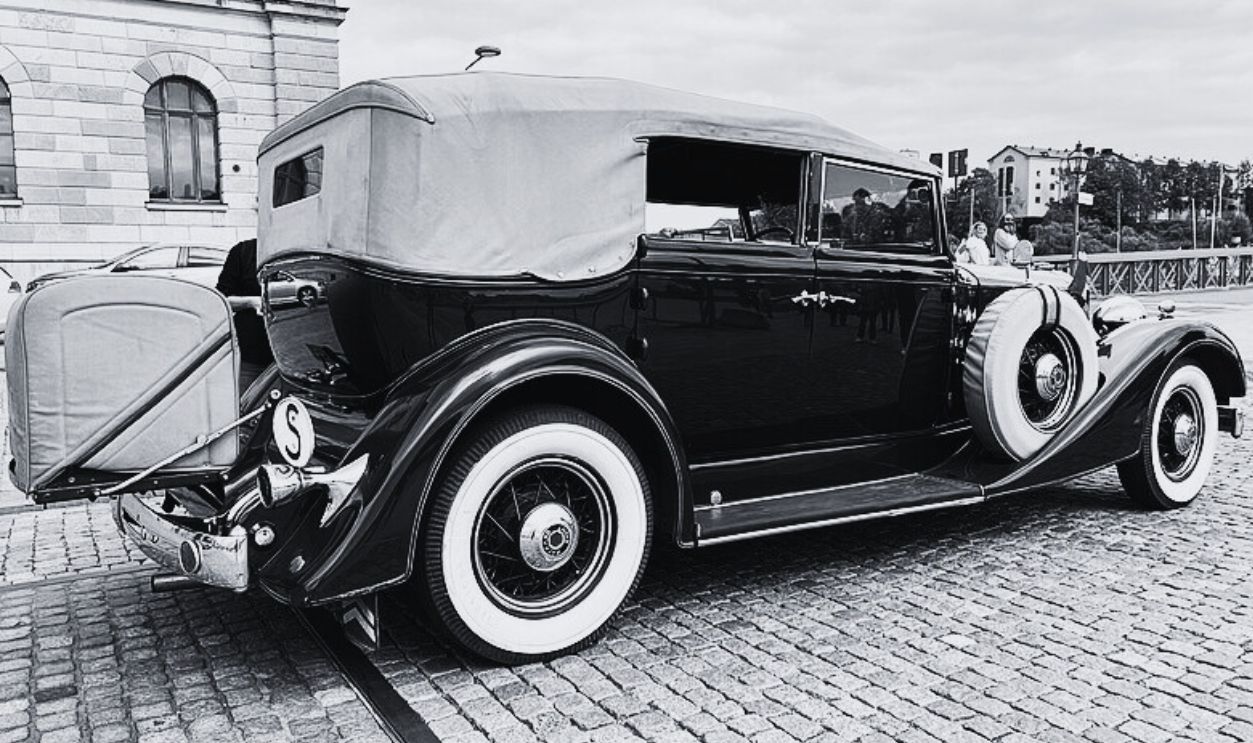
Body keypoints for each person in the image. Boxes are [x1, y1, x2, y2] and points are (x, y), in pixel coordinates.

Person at [216, 238, 274, 390]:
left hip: (295, 360)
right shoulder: (243, 251)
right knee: (244, 407)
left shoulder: (302, 252)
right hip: (251, 357)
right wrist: (251, 302)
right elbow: (221, 300)